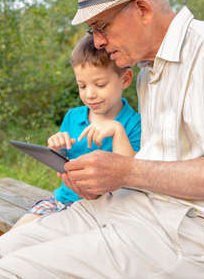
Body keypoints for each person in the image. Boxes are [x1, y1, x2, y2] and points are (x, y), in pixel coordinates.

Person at [0, 0, 204, 279]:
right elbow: (161, 168)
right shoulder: (148, 72)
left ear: (142, 9)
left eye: (101, 26)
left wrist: (125, 170)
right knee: (5, 248)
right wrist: (99, 181)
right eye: (92, 29)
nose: (97, 41)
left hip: (193, 234)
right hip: (134, 208)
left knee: (15, 272)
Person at [13, 34, 141, 229]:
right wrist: (57, 149)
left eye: (100, 85)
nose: (89, 94)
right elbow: (64, 165)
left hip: (103, 211)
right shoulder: (73, 117)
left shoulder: (133, 123)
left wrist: (117, 131)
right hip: (62, 200)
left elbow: (133, 177)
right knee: (15, 234)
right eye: (82, 86)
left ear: (125, 79)